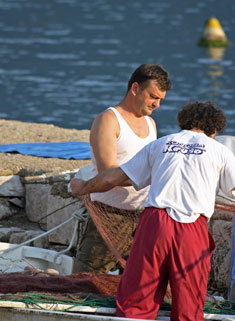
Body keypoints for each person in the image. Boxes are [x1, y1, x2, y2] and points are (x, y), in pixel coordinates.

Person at [70, 101, 235, 321]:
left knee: (136, 300)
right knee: (189, 304)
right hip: (191, 230)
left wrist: (83, 187)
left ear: (183, 123)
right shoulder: (218, 151)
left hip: (154, 224)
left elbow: (113, 177)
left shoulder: (161, 144)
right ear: (214, 130)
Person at [72, 63, 172, 273]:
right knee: (84, 282)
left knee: (136, 284)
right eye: (153, 97)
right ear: (135, 88)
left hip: (142, 216)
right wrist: (149, 174)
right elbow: (108, 174)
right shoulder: (108, 120)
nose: (157, 104)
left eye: (161, 99)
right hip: (109, 217)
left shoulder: (150, 124)